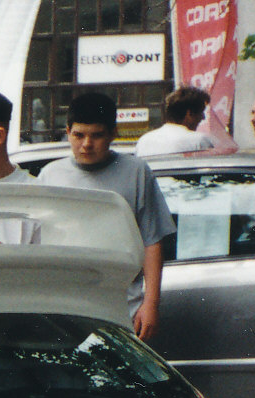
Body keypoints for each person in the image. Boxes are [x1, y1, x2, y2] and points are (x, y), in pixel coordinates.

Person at [38, 91, 175, 343]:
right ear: (67, 132)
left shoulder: (136, 172)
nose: (87, 144)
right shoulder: (50, 175)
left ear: (113, 133)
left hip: (124, 306)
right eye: (79, 135)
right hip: (66, 307)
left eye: (96, 135)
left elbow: (152, 241)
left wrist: (151, 303)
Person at [135, 86, 216, 157]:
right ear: (189, 114)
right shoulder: (199, 140)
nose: (203, 117)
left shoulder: (144, 141)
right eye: (201, 113)